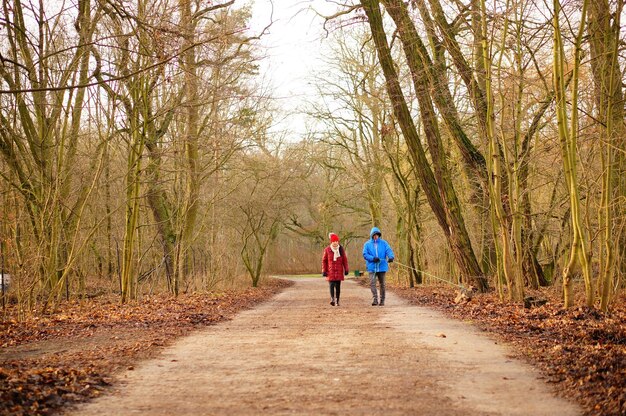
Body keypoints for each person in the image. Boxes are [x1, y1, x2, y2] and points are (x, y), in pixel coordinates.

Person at [362, 227, 394, 306]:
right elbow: (365, 254)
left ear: (379, 235)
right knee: (372, 283)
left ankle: (382, 300)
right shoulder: (367, 244)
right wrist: (372, 258)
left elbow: (388, 250)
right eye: (374, 235)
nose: (376, 236)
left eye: (377, 235)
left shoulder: (384, 243)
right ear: (372, 235)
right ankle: (375, 299)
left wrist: (391, 257)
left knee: (382, 284)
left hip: (382, 266)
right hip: (372, 267)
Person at [322, 233, 349, 306]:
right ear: (331, 242)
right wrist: (324, 270)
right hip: (330, 271)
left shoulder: (341, 249)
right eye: (334, 241)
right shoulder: (327, 250)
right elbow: (324, 261)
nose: (335, 243)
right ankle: (332, 299)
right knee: (331, 285)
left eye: (336, 241)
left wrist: (346, 269)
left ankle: (337, 300)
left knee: (338, 286)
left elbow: (345, 260)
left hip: (339, 271)